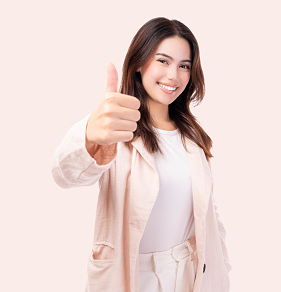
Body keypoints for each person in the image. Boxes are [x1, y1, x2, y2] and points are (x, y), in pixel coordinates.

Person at [51, 17, 231, 292]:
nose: (174, 75)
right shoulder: (115, 128)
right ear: (138, 63)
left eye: (184, 66)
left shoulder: (192, 136)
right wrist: (89, 135)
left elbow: (207, 210)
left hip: (187, 274)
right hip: (132, 275)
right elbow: (65, 175)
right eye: (163, 61)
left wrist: (222, 266)